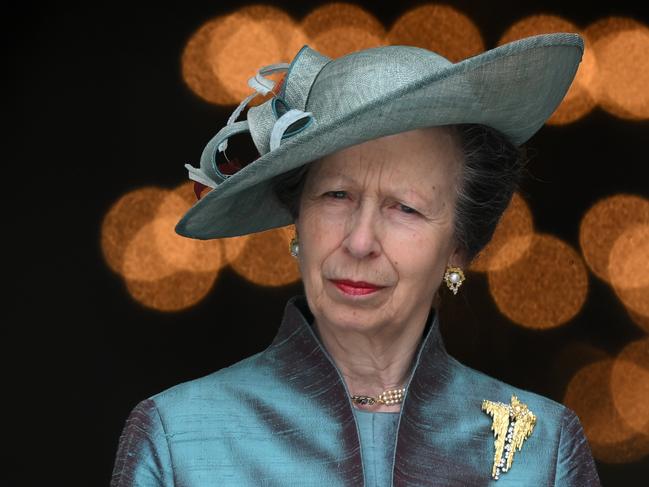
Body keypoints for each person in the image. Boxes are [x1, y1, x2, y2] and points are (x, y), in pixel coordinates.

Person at [110, 34, 602, 486]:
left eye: (405, 207)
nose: (360, 240)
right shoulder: (179, 438)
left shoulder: (543, 450)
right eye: (337, 195)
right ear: (298, 217)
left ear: (458, 245)